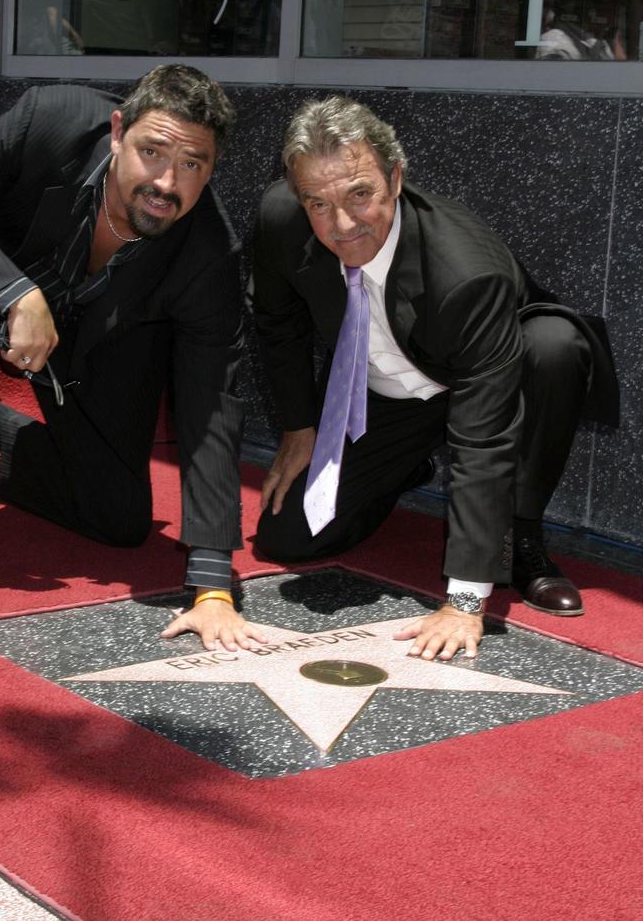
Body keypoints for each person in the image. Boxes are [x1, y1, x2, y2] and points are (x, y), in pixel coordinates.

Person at [0, 64, 265, 653]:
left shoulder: (210, 251)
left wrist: (213, 583)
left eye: (193, 164)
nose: (167, 182)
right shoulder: (50, 119)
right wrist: (13, 293)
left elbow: (211, 402)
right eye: (152, 152)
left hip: (101, 344)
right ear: (117, 132)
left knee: (119, 521)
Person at [251, 96, 618, 662]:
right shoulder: (281, 218)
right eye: (317, 203)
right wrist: (300, 426)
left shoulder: (466, 272)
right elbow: (277, 322)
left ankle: (521, 534)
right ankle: (409, 466)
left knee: (554, 348)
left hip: (493, 382)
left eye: (359, 194)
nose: (341, 223)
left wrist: (466, 600)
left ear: (396, 178)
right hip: (386, 393)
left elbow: (484, 437)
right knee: (288, 538)